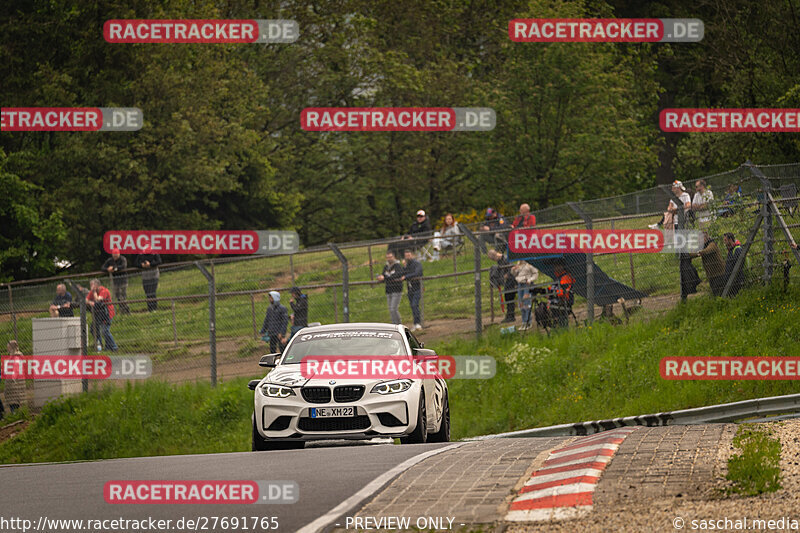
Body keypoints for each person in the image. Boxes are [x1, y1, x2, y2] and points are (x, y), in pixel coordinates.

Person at [86, 278, 118, 352]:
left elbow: (98, 299)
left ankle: (114, 347)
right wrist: (90, 302)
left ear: (97, 285)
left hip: (107, 313)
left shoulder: (104, 291)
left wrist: (94, 292)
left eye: (92, 285)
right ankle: (100, 345)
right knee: (93, 329)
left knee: (105, 330)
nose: (90, 287)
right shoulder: (92, 292)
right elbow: (86, 300)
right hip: (99, 314)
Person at [690, 232, 726, 296]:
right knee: (715, 293)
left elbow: (707, 250)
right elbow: (694, 253)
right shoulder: (703, 246)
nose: (698, 242)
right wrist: (688, 255)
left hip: (719, 274)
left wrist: (699, 253)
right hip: (711, 275)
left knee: (720, 293)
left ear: (704, 239)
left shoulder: (712, 244)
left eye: (699, 240)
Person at [488, 249, 516, 323]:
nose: (494, 260)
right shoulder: (499, 261)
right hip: (508, 281)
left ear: (495, 255)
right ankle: (510, 315)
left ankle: (511, 316)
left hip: (512, 280)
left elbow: (512, 267)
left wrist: (507, 275)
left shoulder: (506, 258)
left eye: (493, 259)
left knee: (509, 296)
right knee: (507, 297)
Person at [377, 251, 404, 325]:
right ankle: (394, 324)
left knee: (393, 309)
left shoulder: (398, 266)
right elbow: (384, 275)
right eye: (387, 257)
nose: (389, 259)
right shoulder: (386, 266)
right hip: (388, 290)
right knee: (390, 309)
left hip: (396, 289)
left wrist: (385, 277)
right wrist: (380, 277)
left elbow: (397, 275)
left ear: (394, 257)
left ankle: (398, 324)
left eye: (390, 257)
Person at [512, 261, 539, 330]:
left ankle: (528, 322)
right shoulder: (519, 264)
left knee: (526, 303)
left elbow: (535, 274)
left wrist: (530, 279)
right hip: (520, 284)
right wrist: (513, 270)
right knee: (521, 303)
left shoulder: (530, 264)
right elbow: (515, 274)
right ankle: (523, 322)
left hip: (527, 284)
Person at [401, 249, 423, 330]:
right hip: (410, 289)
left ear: (412, 255)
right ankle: (415, 323)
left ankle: (418, 323)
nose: (407, 257)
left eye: (409, 255)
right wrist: (404, 267)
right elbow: (402, 274)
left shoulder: (417, 264)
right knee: (412, 306)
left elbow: (417, 273)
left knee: (415, 305)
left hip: (417, 288)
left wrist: (406, 277)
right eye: (406, 256)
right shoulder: (407, 265)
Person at [103, 248, 129, 314]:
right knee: (118, 297)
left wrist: (114, 268)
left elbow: (123, 266)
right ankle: (122, 311)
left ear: (119, 254)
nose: (115, 257)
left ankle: (126, 310)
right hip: (115, 282)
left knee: (123, 296)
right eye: (114, 255)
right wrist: (107, 269)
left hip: (123, 280)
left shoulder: (123, 259)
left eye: (116, 255)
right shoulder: (110, 260)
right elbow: (103, 267)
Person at [3, 340, 26, 416]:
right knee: (14, 401)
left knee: (13, 402)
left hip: (14, 383)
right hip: (15, 382)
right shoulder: (14, 356)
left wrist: (12, 378)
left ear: (12, 348)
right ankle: (16, 415)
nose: (7, 349)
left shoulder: (15, 357)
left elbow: (15, 368)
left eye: (8, 347)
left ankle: (15, 415)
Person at [135, 247, 162, 312]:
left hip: (154, 276)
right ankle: (150, 308)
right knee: (147, 293)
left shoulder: (155, 253)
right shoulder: (141, 255)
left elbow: (159, 261)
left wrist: (150, 264)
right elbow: (135, 263)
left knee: (152, 292)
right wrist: (141, 265)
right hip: (145, 277)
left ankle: (154, 308)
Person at [549, 264, 575, 328]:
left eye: (558, 266)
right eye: (555, 266)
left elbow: (563, 292)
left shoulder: (565, 277)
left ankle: (562, 327)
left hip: (564, 301)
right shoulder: (558, 277)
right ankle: (557, 325)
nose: (555, 268)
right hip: (557, 300)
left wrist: (552, 293)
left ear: (562, 267)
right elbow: (552, 288)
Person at [723, 232, 746, 297]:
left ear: (730, 239)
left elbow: (739, 264)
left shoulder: (737, 249)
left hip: (736, 280)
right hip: (731, 280)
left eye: (725, 240)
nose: (724, 242)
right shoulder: (730, 250)